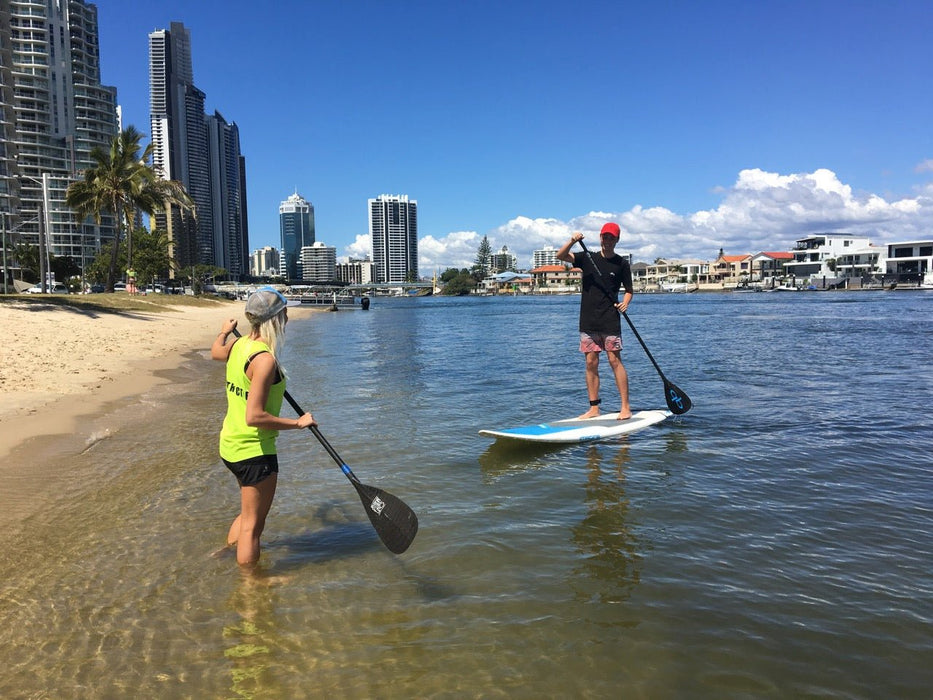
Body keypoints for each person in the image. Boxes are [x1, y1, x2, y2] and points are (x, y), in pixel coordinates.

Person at [211, 286, 315, 568]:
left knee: (247, 515)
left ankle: (226, 551)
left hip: (230, 447)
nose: (288, 316)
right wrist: (298, 423)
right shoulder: (265, 360)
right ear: (276, 319)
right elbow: (254, 416)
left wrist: (224, 331)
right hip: (254, 451)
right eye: (285, 312)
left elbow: (216, 353)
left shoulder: (239, 345)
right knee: (253, 527)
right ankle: (252, 589)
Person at [556, 222, 635, 420]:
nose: (607, 241)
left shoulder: (621, 264)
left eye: (611, 238)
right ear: (600, 238)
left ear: (617, 240)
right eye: (604, 237)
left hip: (610, 318)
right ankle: (594, 408)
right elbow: (560, 256)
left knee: (614, 360)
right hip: (588, 319)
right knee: (591, 362)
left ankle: (625, 407)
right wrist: (572, 240)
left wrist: (625, 302)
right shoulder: (587, 258)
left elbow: (629, 290)